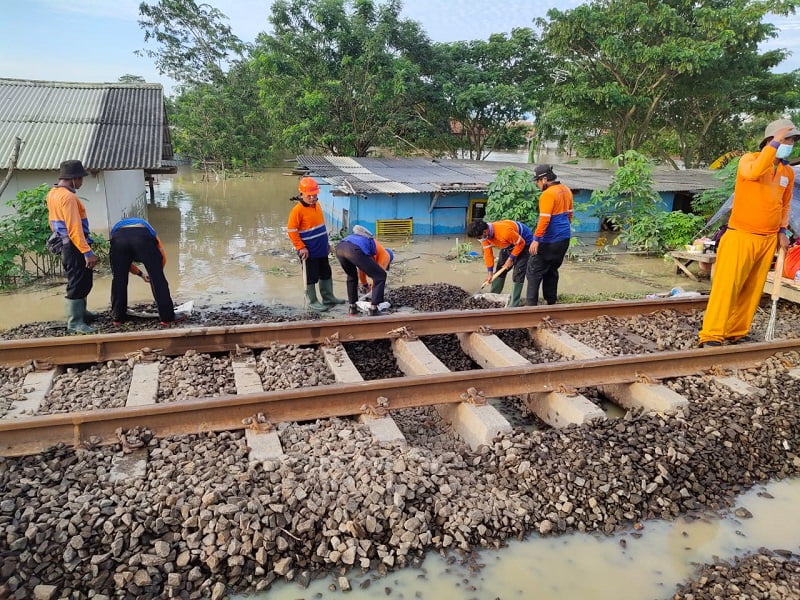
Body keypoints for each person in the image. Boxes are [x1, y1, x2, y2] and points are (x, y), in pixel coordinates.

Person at [698, 119, 799, 347]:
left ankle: (736, 331)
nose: (790, 144)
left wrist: (782, 230)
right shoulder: (749, 160)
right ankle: (712, 334)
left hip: (768, 239)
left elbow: (785, 204)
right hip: (740, 235)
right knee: (727, 286)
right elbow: (753, 173)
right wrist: (774, 144)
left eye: (792, 140)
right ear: (770, 141)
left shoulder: (787, 172)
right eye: (787, 139)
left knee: (752, 289)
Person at [46, 160, 97, 333]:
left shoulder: (53, 193)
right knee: (77, 282)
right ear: (74, 178)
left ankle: (82, 313)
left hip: (65, 243)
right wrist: (87, 252)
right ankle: (75, 322)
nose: (82, 182)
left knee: (83, 279)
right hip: (74, 245)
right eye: (81, 179)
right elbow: (75, 228)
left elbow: (52, 222)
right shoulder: (68, 197)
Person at [109, 217, 182, 326]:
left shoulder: (116, 230)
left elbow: (124, 265)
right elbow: (162, 256)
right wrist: (155, 273)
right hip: (142, 237)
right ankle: (167, 317)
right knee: (158, 280)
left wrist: (141, 274)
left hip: (119, 239)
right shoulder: (149, 229)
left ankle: (118, 317)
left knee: (119, 279)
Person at [287, 177, 344, 311]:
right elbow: (291, 230)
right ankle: (312, 302)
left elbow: (321, 227)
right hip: (308, 251)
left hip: (321, 248)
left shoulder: (317, 205)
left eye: (315, 195)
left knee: (326, 273)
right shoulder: (297, 210)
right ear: (302, 194)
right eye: (309, 196)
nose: (313, 198)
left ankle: (328, 298)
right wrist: (301, 247)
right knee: (311, 276)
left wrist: (327, 245)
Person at [526, 164, 573, 306]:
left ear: (544, 179)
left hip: (549, 240)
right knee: (552, 270)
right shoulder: (566, 190)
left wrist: (536, 240)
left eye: (538, 181)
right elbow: (570, 215)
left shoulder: (547, 194)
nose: (537, 184)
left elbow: (544, 219)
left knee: (533, 271)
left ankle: (530, 306)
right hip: (564, 239)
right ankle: (551, 302)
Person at [466, 219, 532, 307]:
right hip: (507, 244)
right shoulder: (484, 238)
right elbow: (488, 254)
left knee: (518, 273)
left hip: (524, 243)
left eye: (478, 237)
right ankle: (494, 295)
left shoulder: (504, 232)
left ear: (485, 232)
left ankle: (513, 304)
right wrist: (490, 273)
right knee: (500, 270)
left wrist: (510, 259)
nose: (478, 239)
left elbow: (521, 243)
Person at [335, 225, 390, 316]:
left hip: (340, 247)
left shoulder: (366, 243)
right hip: (353, 250)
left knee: (351, 276)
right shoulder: (386, 256)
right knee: (380, 276)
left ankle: (352, 307)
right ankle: (374, 309)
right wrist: (371, 288)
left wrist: (365, 285)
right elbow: (376, 276)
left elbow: (362, 269)